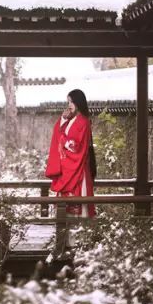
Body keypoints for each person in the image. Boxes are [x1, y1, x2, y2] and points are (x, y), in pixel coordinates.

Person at [45, 89, 96, 218]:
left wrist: (63, 140)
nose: (69, 105)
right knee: (66, 211)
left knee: (79, 211)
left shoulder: (83, 121)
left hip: (78, 168)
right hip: (68, 167)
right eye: (68, 102)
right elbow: (58, 133)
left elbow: (77, 147)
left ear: (78, 102)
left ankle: (80, 230)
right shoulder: (71, 120)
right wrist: (63, 119)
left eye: (71, 102)